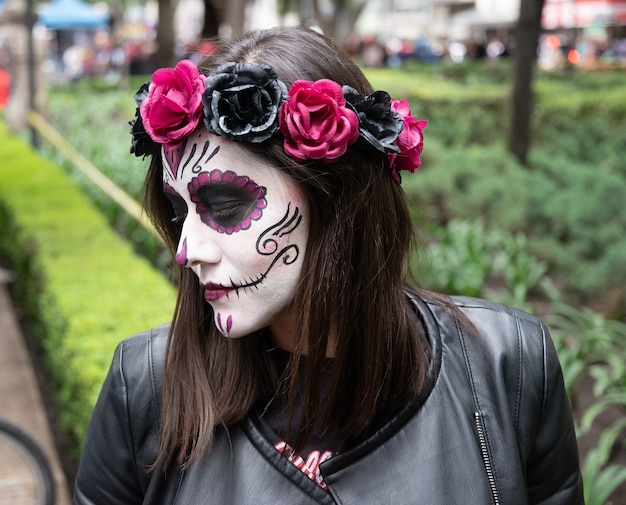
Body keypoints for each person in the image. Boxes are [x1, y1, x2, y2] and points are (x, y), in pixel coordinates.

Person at [73, 26, 583, 504]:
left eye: (225, 206)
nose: (187, 250)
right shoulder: (142, 388)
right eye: (180, 210)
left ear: (339, 200)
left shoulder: (506, 367)